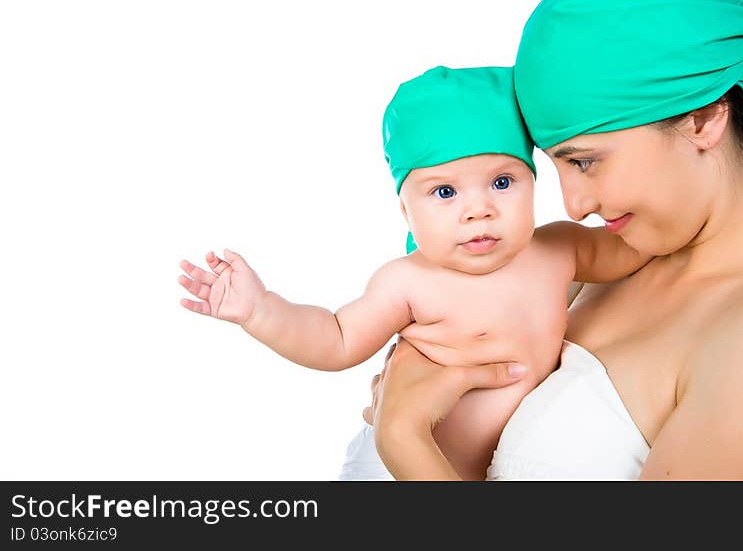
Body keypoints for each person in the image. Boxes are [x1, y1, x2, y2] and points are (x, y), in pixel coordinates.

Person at [366, 0, 743, 480]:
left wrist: (405, 439)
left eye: (585, 161)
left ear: (704, 117)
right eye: (555, 166)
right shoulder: (607, 264)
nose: (574, 204)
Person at [177, 65, 649, 480]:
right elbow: (336, 339)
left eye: (501, 183)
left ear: (532, 182)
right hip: (391, 471)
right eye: (444, 193)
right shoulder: (409, 282)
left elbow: (637, 247)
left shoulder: (559, 248)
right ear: (405, 212)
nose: (478, 210)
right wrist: (260, 310)